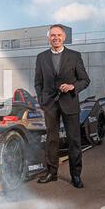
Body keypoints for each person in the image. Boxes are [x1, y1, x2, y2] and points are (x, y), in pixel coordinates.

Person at [34, 24, 90, 188]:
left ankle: (76, 175)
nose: (56, 38)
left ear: (64, 37)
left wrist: (73, 87)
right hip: (50, 104)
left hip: (69, 103)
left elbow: (85, 80)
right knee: (52, 140)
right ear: (48, 38)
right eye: (53, 35)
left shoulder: (74, 56)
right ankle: (51, 173)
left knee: (74, 140)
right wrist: (42, 100)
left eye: (59, 35)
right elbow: (38, 82)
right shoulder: (41, 57)